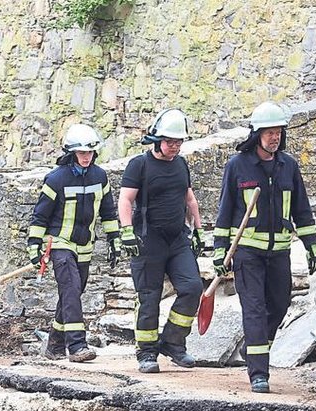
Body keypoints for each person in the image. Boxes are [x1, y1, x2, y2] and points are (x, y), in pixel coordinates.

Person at [214, 102, 316, 393]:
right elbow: (225, 212)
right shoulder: (237, 166)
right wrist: (220, 251)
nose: (275, 137)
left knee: (280, 304)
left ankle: (254, 350)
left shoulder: (289, 166)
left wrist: (312, 245)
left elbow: (301, 210)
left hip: (280, 253)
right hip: (247, 253)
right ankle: (259, 374)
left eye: (279, 132)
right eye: (270, 132)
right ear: (256, 134)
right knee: (255, 310)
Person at [117, 109, 204, 373]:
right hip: (147, 240)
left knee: (192, 288)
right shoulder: (139, 165)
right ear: (156, 140)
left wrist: (198, 229)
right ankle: (146, 352)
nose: (175, 146)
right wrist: (127, 231)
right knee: (149, 297)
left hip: (177, 239)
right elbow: (125, 199)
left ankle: (173, 343)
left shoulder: (181, 164)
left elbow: (189, 198)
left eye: (179, 142)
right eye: (170, 142)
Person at [27, 124, 120, 362]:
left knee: (73, 294)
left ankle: (54, 345)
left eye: (89, 152)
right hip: (59, 244)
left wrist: (114, 239)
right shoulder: (56, 179)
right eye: (81, 153)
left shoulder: (100, 177)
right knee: (70, 290)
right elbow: (40, 215)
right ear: (71, 153)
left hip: (85, 247)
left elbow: (108, 212)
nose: (86, 157)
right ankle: (77, 345)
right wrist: (33, 244)